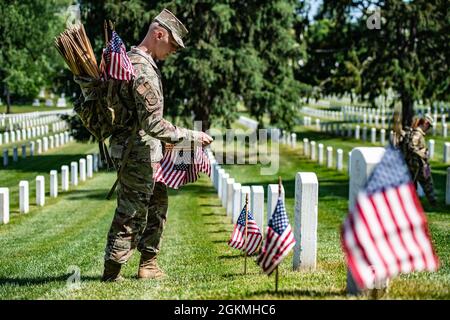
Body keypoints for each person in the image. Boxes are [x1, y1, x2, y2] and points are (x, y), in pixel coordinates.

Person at [102, 9, 213, 281]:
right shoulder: (141, 69)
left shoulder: (140, 63)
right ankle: (112, 271)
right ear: (158, 34)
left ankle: (148, 265)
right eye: (172, 44)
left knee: (157, 205)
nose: (173, 50)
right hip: (135, 151)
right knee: (132, 211)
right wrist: (192, 136)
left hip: (145, 149)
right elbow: (153, 124)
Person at [399, 114, 437, 206]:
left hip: (415, 164)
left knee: (412, 184)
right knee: (427, 183)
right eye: (429, 126)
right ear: (426, 123)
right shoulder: (417, 133)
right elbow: (412, 146)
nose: (428, 129)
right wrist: (423, 154)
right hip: (419, 164)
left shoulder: (415, 132)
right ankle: (433, 203)